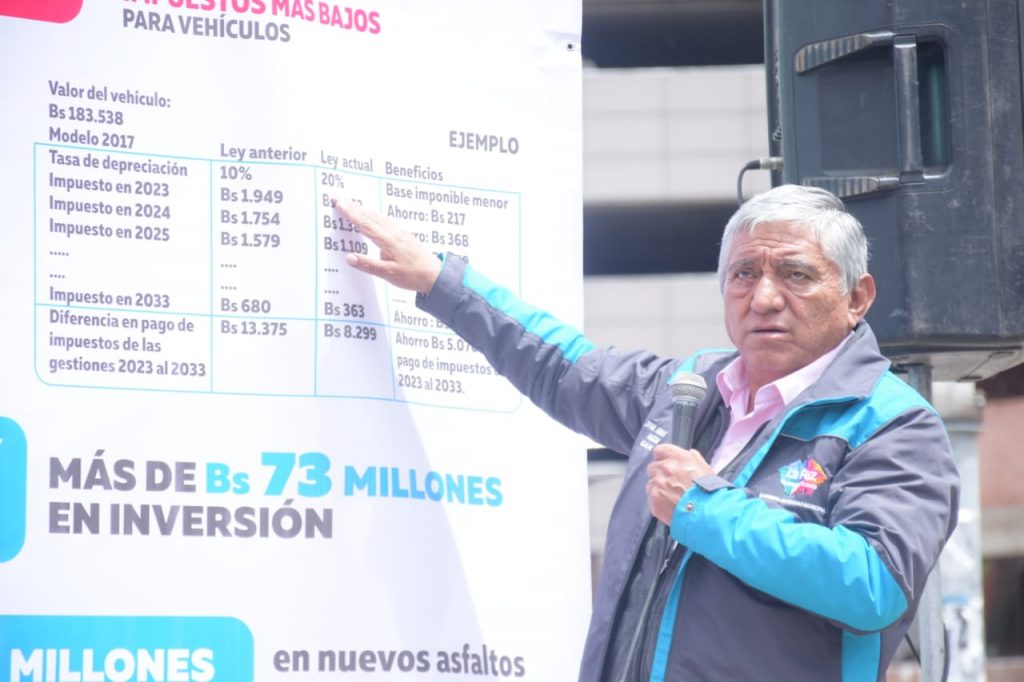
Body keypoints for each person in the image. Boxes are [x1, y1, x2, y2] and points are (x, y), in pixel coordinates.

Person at [337, 184, 960, 682]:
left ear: (857, 298)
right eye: (744, 274)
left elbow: (873, 585)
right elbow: (563, 365)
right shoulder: (688, 388)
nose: (764, 297)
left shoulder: (893, 425)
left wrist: (705, 506)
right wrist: (440, 280)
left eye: (796, 275)